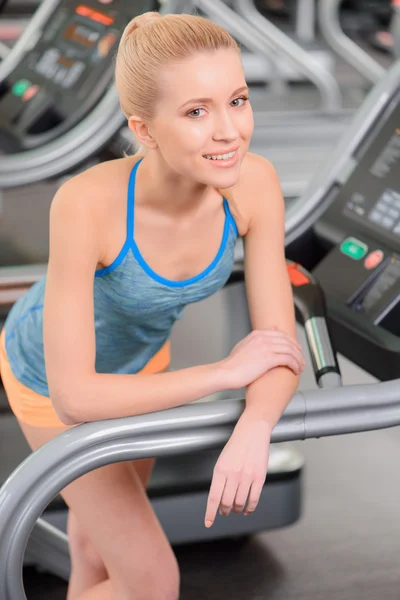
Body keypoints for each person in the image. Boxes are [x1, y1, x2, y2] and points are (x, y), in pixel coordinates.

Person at [0, 11, 305, 600]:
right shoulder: (87, 203)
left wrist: (255, 424)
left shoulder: (255, 185)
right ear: (145, 127)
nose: (229, 131)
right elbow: (77, 395)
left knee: (95, 550)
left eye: (237, 100)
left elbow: (275, 340)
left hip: (143, 371)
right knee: (151, 584)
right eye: (196, 111)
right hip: (49, 384)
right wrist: (222, 375)